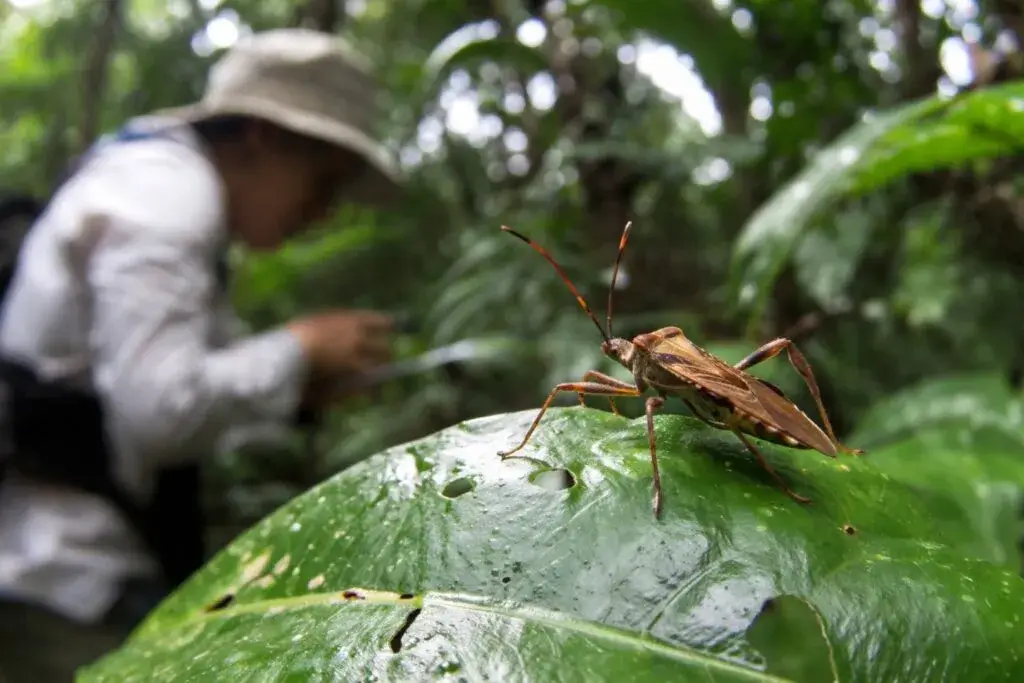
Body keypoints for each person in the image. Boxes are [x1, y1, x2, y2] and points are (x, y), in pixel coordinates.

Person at [0, 28, 399, 682]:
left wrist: (294, 392)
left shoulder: (160, 186)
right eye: (324, 182)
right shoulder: (166, 195)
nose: (324, 212)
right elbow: (159, 411)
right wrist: (297, 350)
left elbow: (142, 394)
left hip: (83, 571)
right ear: (265, 137)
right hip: (52, 580)